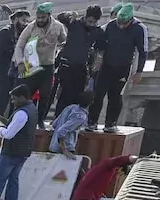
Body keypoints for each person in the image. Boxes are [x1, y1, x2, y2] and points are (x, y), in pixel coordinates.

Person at [87, 4, 149, 132]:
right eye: (119, 23)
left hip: (123, 68)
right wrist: (96, 64)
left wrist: (139, 72)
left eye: (124, 24)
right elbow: (100, 46)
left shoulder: (139, 28)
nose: (121, 26)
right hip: (106, 66)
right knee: (98, 94)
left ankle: (110, 123)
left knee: (115, 96)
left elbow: (143, 52)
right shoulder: (111, 26)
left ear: (131, 20)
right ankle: (91, 122)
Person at [13, 2, 67, 128]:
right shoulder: (30, 27)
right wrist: (20, 62)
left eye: (43, 17)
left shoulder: (58, 27)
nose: (40, 20)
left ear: (49, 15)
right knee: (26, 95)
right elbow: (19, 46)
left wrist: (65, 45)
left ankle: (40, 120)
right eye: (38, 17)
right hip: (31, 66)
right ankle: (20, 120)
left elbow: (64, 40)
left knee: (45, 95)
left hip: (47, 66)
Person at [52, 5, 104, 118]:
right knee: (65, 94)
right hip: (66, 65)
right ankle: (58, 119)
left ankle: (71, 120)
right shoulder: (74, 23)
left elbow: (100, 49)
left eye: (94, 22)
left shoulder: (98, 31)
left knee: (78, 96)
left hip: (81, 67)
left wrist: (95, 65)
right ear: (85, 17)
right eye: (89, 21)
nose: (91, 24)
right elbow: (60, 17)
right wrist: (69, 13)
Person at [49, 91, 95, 157]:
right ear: (91, 102)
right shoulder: (81, 117)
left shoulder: (70, 107)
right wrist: (64, 150)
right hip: (66, 150)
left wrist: (76, 129)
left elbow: (54, 124)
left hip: (53, 147)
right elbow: (61, 131)